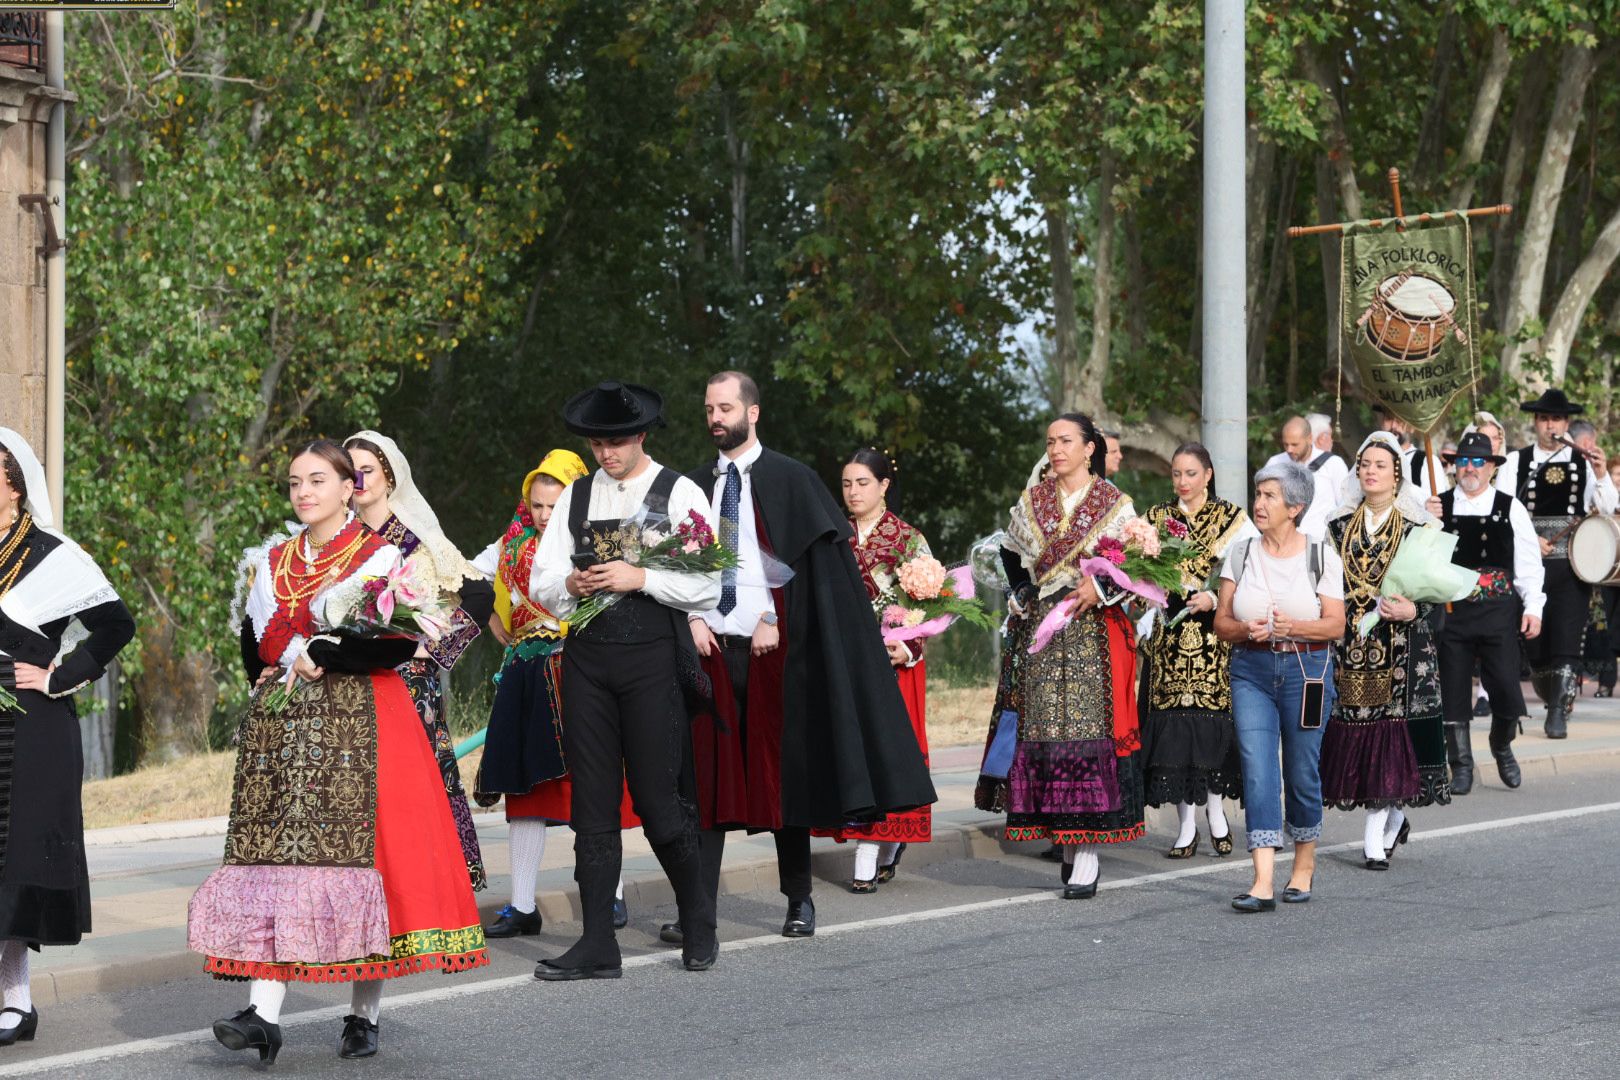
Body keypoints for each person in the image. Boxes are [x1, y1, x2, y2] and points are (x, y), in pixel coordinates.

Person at [192, 440, 487, 1064]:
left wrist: (324, 651)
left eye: (317, 480)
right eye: (295, 482)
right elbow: (256, 642)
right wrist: (285, 654)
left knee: (363, 862)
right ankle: (262, 1014)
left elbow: (397, 642)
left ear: (348, 488)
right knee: (279, 861)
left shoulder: (381, 555)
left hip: (365, 723)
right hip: (286, 729)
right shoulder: (272, 560)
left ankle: (363, 1014)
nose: (304, 492)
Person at [680, 373, 935, 939]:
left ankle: (798, 898)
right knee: (706, 784)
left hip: (776, 652)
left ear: (753, 412)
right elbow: (678, 567)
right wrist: (693, 617)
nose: (715, 417)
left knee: (783, 782)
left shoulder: (792, 480)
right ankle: (698, 912)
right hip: (710, 652)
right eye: (708, 409)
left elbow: (811, 569)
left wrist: (774, 616)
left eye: (726, 407)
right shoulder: (690, 489)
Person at [530, 382, 721, 979]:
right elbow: (541, 579)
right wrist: (573, 585)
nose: (605, 454)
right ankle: (597, 944)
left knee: (659, 800)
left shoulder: (678, 491)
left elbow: (710, 586)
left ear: (641, 436)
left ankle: (698, 917)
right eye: (596, 444)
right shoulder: (577, 495)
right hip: (587, 659)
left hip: (651, 659)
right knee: (591, 804)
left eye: (615, 443)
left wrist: (640, 578)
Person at [469, 450, 639, 938]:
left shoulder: (599, 537)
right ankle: (522, 905)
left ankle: (612, 895)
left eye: (554, 503)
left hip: (582, 668)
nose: (544, 514)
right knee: (525, 789)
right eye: (537, 504)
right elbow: (463, 572)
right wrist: (491, 615)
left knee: (596, 781)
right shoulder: (512, 543)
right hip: (525, 674)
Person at [0, 430, 135, 1046]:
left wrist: (62, 675)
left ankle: (16, 998)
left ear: (12, 484)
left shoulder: (52, 554)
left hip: (31, 725)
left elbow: (115, 624)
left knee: (16, 861)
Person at [981, 412, 1144, 899]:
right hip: (1043, 637)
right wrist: (1022, 590)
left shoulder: (1114, 504)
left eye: (1066, 441)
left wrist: (1102, 588)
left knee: (1087, 735)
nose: (1056, 449)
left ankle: (1087, 854)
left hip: (1091, 632)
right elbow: (1011, 551)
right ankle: (1068, 845)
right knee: (1048, 736)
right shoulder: (1033, 501)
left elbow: (1136, 563)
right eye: (1051, 441)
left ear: (1089, 447)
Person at [345, 432, 493, 892]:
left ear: (389, 477)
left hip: (408, 677)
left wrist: (435, 648)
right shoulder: (341, 537)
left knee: (417, 781)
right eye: (349, 471)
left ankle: (433, 886)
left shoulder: (417, 539)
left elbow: (479, 593)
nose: (358, 479)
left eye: (367, 470)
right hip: (351, 675)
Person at [1214, 459, 1345, 912]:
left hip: (1306, 673)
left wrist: (1296, 628)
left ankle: (1304, 863)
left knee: (1302, 772)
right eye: (1259, 495)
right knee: (1257, 767)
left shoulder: (1321, 555)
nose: (1259, 504)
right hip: (1250, 671)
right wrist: (1244, 630)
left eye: (1270, 496)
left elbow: (1335, 626)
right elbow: (1221, 622)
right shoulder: (1241, 552)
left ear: (1296, 507)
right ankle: (1263, 879)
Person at [1319, 434, 1449, 871]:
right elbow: (1324, 583)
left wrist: (1416, 606)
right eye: (1365, 464)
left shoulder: (1417, 528)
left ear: (1397, 474)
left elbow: (1433, 587)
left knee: (1393, 732)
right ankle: (1393, 815)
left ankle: (1375, 835)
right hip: (1351, 646)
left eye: (1381, 464)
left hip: (1401, 645)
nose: (1371, 470)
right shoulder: (1337, 527)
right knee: (1360, 729)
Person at [813, 449, 934, 890]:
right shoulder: (831, 535)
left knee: (886, 752)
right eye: (846, 484)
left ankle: (875, 850)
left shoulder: (907, 539)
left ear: (884, 486)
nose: (852, 492)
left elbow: (932, 602)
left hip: (891, 661)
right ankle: (872, 845)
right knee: (853, 752)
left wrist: (910, 645)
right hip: (842, 660)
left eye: (862, 483)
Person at [1140, 443, 1256, 859]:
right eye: (1176, 474)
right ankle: (1186, 826)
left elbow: (1249, 570)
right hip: (1169, 641)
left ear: (1208, 474)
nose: (1183, 482)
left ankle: (1216, 810)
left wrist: (1212, 596)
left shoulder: (1232, 519)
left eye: (1191, 473)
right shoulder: (1154, 519)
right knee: (1174, 734)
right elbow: (1136, 575)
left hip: (1213, 639)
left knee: (1211, 728)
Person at [1496, 390, 1616, 738]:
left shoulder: (1584, 462)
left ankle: (1557, 714)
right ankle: (1553, 698)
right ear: (1536, 423)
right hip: (1529, 564)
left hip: (1571, 564)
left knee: (1566, 637)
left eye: (1557, 420)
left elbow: (1606, 507)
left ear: (1566, 424)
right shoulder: (1516, 461)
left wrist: (1602, 473)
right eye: (1545, 419)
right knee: (1537, 644)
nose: (1551, 425)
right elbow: (1502, 510)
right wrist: (1531, 541)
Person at [1428, 432, 1543, 792]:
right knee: (1454, 690)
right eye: (1463, 461)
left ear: (1492, 467)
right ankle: (1460, 765)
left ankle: (1501, 745)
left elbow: (1528, 563)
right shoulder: (1437, 505)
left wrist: (1534, 606)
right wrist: (1426, 522)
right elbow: (1422, 560)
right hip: (1453, 611)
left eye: (1478, 461)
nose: (1470, 468)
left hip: (1498, 611)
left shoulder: (1511, 507)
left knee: (1508, 688)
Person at [1268, 415, 1347, 537]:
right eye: (1285, 444)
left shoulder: (1333, 463)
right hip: (1284, 542)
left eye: (1295, 444)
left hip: (1321, 542)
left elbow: (1345, 505)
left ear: (1310, 438)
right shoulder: (1275, 463)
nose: (1289, 449)